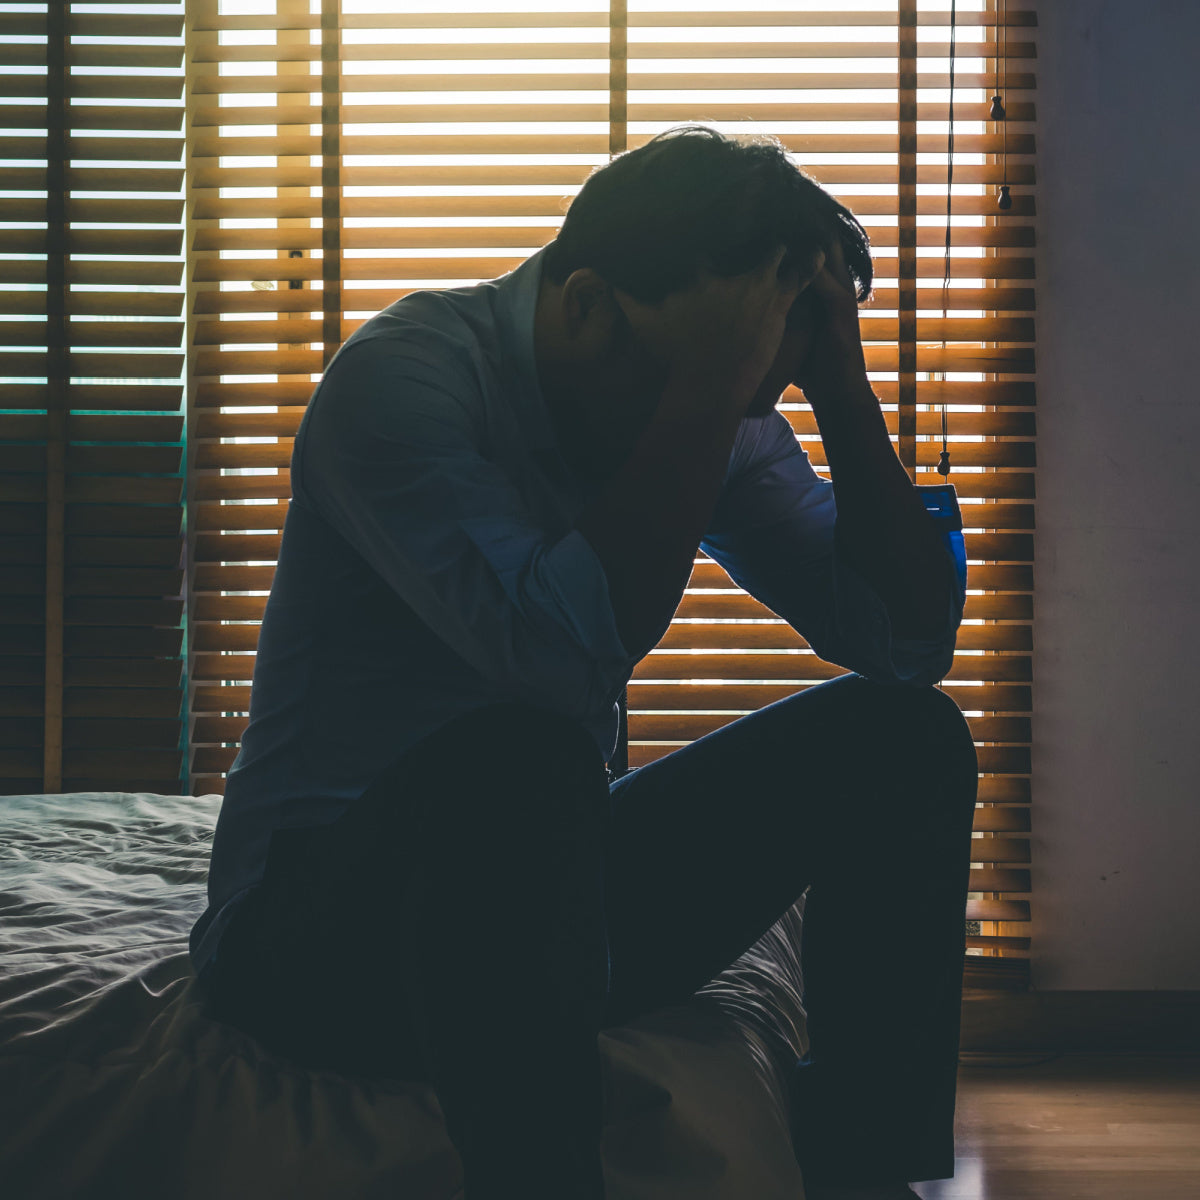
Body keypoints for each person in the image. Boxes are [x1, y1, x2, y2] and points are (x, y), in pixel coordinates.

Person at [191, 125, 979, 1200]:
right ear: (584, 304)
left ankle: (861, 1174)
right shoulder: (403, 385)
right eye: (699, 372)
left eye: (751, 385)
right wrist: (709, 387)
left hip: (540, 912)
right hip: (314, 938)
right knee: (525, 755)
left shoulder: (717, 406)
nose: (721, 413)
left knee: (907, 739)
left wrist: (837, 389)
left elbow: (905, 645)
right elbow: (557, 664)